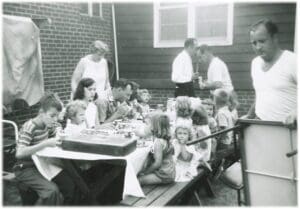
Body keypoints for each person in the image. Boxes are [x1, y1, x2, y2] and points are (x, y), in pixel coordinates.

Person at [13, 93, 80, 205]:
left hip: (42, 164)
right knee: (51, 191)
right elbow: (19, 153)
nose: (54, 119)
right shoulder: (30, 127)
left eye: (57, 116)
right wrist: (45, 144)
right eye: (52, 115)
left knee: (70, 183)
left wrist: (59, 132)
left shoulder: (47, 124)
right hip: (25, 168)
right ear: (41, 113)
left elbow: (57, 128)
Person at [245, 19, 297, 126]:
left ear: (275, 38)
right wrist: (249, 116)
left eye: (262, 41)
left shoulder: (293, 61)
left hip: (290, 131)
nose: (258, 47)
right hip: (263, 128)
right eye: (254, 43)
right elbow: (262, 94)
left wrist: (297, 113)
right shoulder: (255, 64)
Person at [138, 113, 176, 185]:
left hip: (164, 175)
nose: (146, 126)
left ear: (154, 127)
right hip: (169, 171)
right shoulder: (166, 138)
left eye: (148, 124)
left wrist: (145, 172)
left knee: (137, 181)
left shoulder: (158, 142)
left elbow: (157, 163)